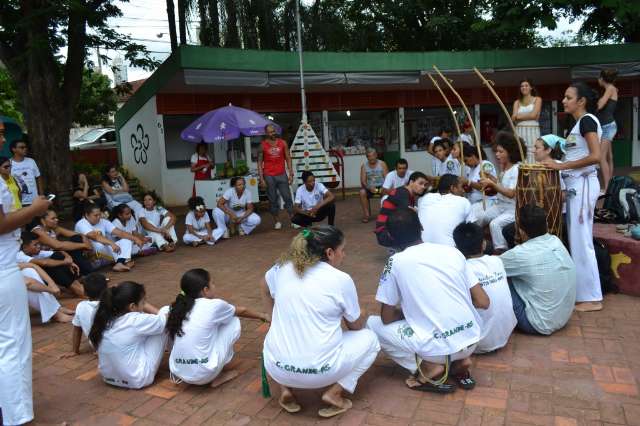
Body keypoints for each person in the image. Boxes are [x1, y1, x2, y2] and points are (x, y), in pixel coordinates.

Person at [262, 226, 380, 418]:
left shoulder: (281, 267)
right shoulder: (340, 279)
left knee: (274, 336)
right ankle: (334, 394)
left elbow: (264, 288)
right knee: (371, 339)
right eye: (342, 250)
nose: (345, 255)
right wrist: (362, 311)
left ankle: (285, 390)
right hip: (322, 372)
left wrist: (273, 318)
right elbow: (355, 326)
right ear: (330, 252)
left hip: (278, 369)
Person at [367, 208, 489, 393]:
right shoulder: (452, 252)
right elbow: (482, 300)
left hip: (437, 348)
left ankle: (428, 368)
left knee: (371, 324)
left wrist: (407, 314)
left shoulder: (395, 262)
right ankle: (459, 361)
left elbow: (386, 317)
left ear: (390, 237)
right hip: (471, 339)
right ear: (421, 227)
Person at [0, 117, 51, 426]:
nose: (3, 138)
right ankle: (17, 415)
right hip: (3, 266)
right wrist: (35, 210)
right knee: (13, 343)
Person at [540, 82, 603, 312]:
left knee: (582, 241)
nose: (564, 101)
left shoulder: (587, 121)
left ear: (581, 101)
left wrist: (562, 165)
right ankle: (584, 293)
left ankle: (593, 297)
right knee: (577, 241)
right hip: (576, 185)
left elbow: (596, 156)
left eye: (568, 97)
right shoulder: (578, 125)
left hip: (584, 184)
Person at [167, 269, 268, 386]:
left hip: (179, 370)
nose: (215, 285)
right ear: (205, 290)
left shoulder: (177, 307)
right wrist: (263, 316)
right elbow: (242, 311)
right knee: (232, 319)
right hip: (204, 374)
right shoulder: (213, 305)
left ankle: (195, 369)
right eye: (212, 283)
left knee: (210, 325)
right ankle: (218, 375)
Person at [500, 205, 576, 334]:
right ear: (546, 225)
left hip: (537, 324)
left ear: (522, 231)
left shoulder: (520, 254)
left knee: (497, 277)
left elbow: (490, 267)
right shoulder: (555, 240)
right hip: (563, 317)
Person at [89, 281, 169, 389]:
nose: (144, 305)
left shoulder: (104, 319)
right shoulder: (135, 320)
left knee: (150, 326)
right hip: (138, 379)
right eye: (143, 302)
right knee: (165, 313)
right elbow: (164, 319)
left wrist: (141, 302)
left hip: (108, 378)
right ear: (132, 306)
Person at [453, 222, 516, 353]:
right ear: (483, 244)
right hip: (506, 333)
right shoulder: (497, 261)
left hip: (478, 342)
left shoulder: (461, 269)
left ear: (456, 248)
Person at [476, 132, 524, 253]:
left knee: (495, 224)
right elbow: (501, 185)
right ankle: (479, 245)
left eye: (501, 152)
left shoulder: (516, 169)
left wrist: (492, 184)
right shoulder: (504, 169)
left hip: (512, 209)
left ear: (510, 152)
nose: (497, 154)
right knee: (480, 216)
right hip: (500, 206)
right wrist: (492, 179)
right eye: (496, 151)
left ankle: (501, 252)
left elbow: (511, 193)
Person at [75, 203, 145, 272]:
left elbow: (120, 233)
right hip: (92, 252)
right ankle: (125, 260)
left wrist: (136, 238)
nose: (99, 217)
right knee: (99, 245)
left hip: (105, 250)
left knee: (126, 241)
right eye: (95, 215)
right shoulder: (81, 223)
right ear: (87, 215)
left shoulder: (103, 221)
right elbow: (94, 236)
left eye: (99, 214)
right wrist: (111, 243)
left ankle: (119, 263)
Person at [18, 231, 85, 298]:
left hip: (43, 281)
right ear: (25, 247)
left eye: (39, 244)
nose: (39, 247)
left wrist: (70, 262)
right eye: (35, 245)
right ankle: (75, 288)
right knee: (52, 267)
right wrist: (65, 262)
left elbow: (60, 252)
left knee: (57, 256)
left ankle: (74, 286)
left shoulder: (35, 253)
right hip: (27, 285)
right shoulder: (20, 256)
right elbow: (44, 263)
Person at [31, 208, 95, 276]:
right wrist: (84, 245)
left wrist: (83, 238)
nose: (57, 220)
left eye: (56, 218)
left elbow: (76, 234)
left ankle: (84, 270)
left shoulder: (54, 228)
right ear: (43, 221)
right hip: (45, 260)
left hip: (57, 254)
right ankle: (85, 270)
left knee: (77, 238)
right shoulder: (38, 231)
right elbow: (58, 245)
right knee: (63, 252)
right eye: (53, 218)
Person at [417, 174, 475, 247]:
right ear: (452, 188)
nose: (463, 191)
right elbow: (473, 229)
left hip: (421, 248)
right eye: (461, 187)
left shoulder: (425, 198)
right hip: (449, 251)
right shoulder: (463, 201)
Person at [375, 171, 429, 249]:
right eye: (420, 183)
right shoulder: (402, 193)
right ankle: (399, 250)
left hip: (386, 231)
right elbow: (409, 216)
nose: (423, 187)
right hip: (384, 233)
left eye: (425, 185)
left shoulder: (405, 192)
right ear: (411, 182)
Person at [258, 124, 294, 230]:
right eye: (270, 132)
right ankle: (277, 221)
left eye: (273, 131)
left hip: (281, 174)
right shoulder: (262, 145)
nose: (272, 133)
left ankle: (293, 219)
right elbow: (259, 163)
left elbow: (288, 158)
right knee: (272, 200)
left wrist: (291, 173)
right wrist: (261, 179)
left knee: (287, 197)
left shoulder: (283, 143)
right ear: (266, 133)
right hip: (269, 175)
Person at [67, 273, 108, 356]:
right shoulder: (111, 304)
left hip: (96, 346)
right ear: (106, 290)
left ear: (85, 293)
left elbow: (77, 329)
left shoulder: (80, 306)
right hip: (116, 345)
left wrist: (75, 351)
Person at [461, 144, 498, 218]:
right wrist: (468, 188)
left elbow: (486, 187)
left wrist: (468, 182)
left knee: (470, 216)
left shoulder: (485, 165)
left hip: (487, 201)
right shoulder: (472, 169)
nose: (465, 163)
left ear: (473, 156)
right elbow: (473, 186)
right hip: (475, 203)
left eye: (466, 160)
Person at [597, 69, 618, 192]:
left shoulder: (609, 88)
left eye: (598, 78)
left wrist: (597, 101)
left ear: (602, 79)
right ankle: (610, 186)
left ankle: (607, 188)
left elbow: (600, 105)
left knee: (601, 158)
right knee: (609, 156)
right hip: (608, 125)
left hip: (607, 126)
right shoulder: (612, 88)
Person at [511, 78, 542, 163]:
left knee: (533, 151)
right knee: (520, 150)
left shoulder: (537, 99)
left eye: (526, 85)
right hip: (520, 130)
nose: (524, 87)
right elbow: (513, 118)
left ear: (531, 87)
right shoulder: (517, 102)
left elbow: (534, 115)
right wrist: (530, 115)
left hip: (533, 130)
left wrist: (519, 116)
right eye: (522, 86)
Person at [9, 139, 43, 207]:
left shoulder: (31, 161)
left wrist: (41, 195)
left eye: (25, 147)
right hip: (18, 202)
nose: (25, 149)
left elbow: (38, 177)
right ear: (14, 149)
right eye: (22, 147)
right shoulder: (9, 164)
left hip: (35, 200)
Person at [359, 148, 389, 223]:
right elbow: (363, 181)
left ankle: (384, 214)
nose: (371, 158)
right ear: (367, 157)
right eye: (369, 156)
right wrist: (369, 187)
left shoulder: (382, 164)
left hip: (381, 187)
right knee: (362, 192)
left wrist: (383, 187)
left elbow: (388, 179)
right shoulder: (364, 166)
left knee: (385, 192)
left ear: (376, 155)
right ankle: (366, 214)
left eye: (373, 156)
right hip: (370, 188)